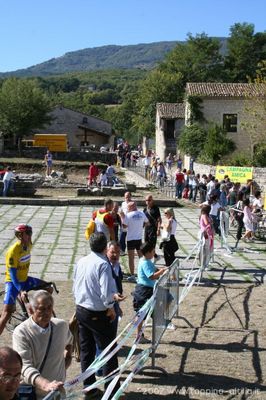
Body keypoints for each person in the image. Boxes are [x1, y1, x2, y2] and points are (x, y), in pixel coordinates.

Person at [73, 233, 125, 399]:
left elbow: (76, 285)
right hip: (97, 313)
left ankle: (89, 387)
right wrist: (111, 306)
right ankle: (111, 391)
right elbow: (105, 293)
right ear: (104, 248)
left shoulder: (81, 261)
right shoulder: (103, 264)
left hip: (81, 310)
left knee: (87, 350)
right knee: (109, 352)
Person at [13, 290, 73, 399]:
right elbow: (25, 366)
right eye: (42, 309)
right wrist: (46, 384)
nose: (47, 312)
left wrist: (67, 359)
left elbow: (70, 341)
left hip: (56, 392)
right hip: (33, 393)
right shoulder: (21, 333)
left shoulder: (61, 326)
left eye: (49, 308)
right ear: (31, 310)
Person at [0, 224, 48, 336]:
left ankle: (35, 313)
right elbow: (12, 274)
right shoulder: (13, 251)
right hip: (13, 282)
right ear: (20, 235)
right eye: (28, 233)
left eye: (31, 233)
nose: (31, 236)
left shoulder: (28, 245)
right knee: (6, 314)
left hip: (25, 279)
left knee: (48, 287)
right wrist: (20, 290)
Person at [133, 242, 167, 344]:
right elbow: (151, 276)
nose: (154, 253)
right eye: (153, 251)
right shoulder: (145, 263)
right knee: (141, 313)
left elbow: (154, 269)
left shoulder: (146, 260)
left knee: (144, 313)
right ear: (147, 253)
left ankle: (141, 335)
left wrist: (162, 269)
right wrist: (161, 272)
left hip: (147, 290)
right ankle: (139, 336)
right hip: (144, 291)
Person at [121, 202, 149, 282]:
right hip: (139, 238)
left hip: (130, 239)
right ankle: (143, 273)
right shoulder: (142, 213)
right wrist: (140, 226)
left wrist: (123, 217)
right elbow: (147, 222)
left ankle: (132, 275)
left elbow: (124, 226)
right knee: (141, 258)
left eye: (128, 208)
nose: (127, 209)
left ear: (131, 207)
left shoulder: (128, 215)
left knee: (131, 258)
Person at [143, 195, 162, 260]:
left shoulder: (156, 208)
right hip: (147, 229)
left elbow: (159, 220)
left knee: (152, 244)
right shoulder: (145, 209)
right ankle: (154, 256)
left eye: (149, 200)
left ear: (152, 200)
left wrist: (158, 229)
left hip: (153, 228)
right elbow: (143, 220)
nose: (147, 202)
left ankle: (154, 257)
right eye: (146, 200)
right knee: (146, 243)